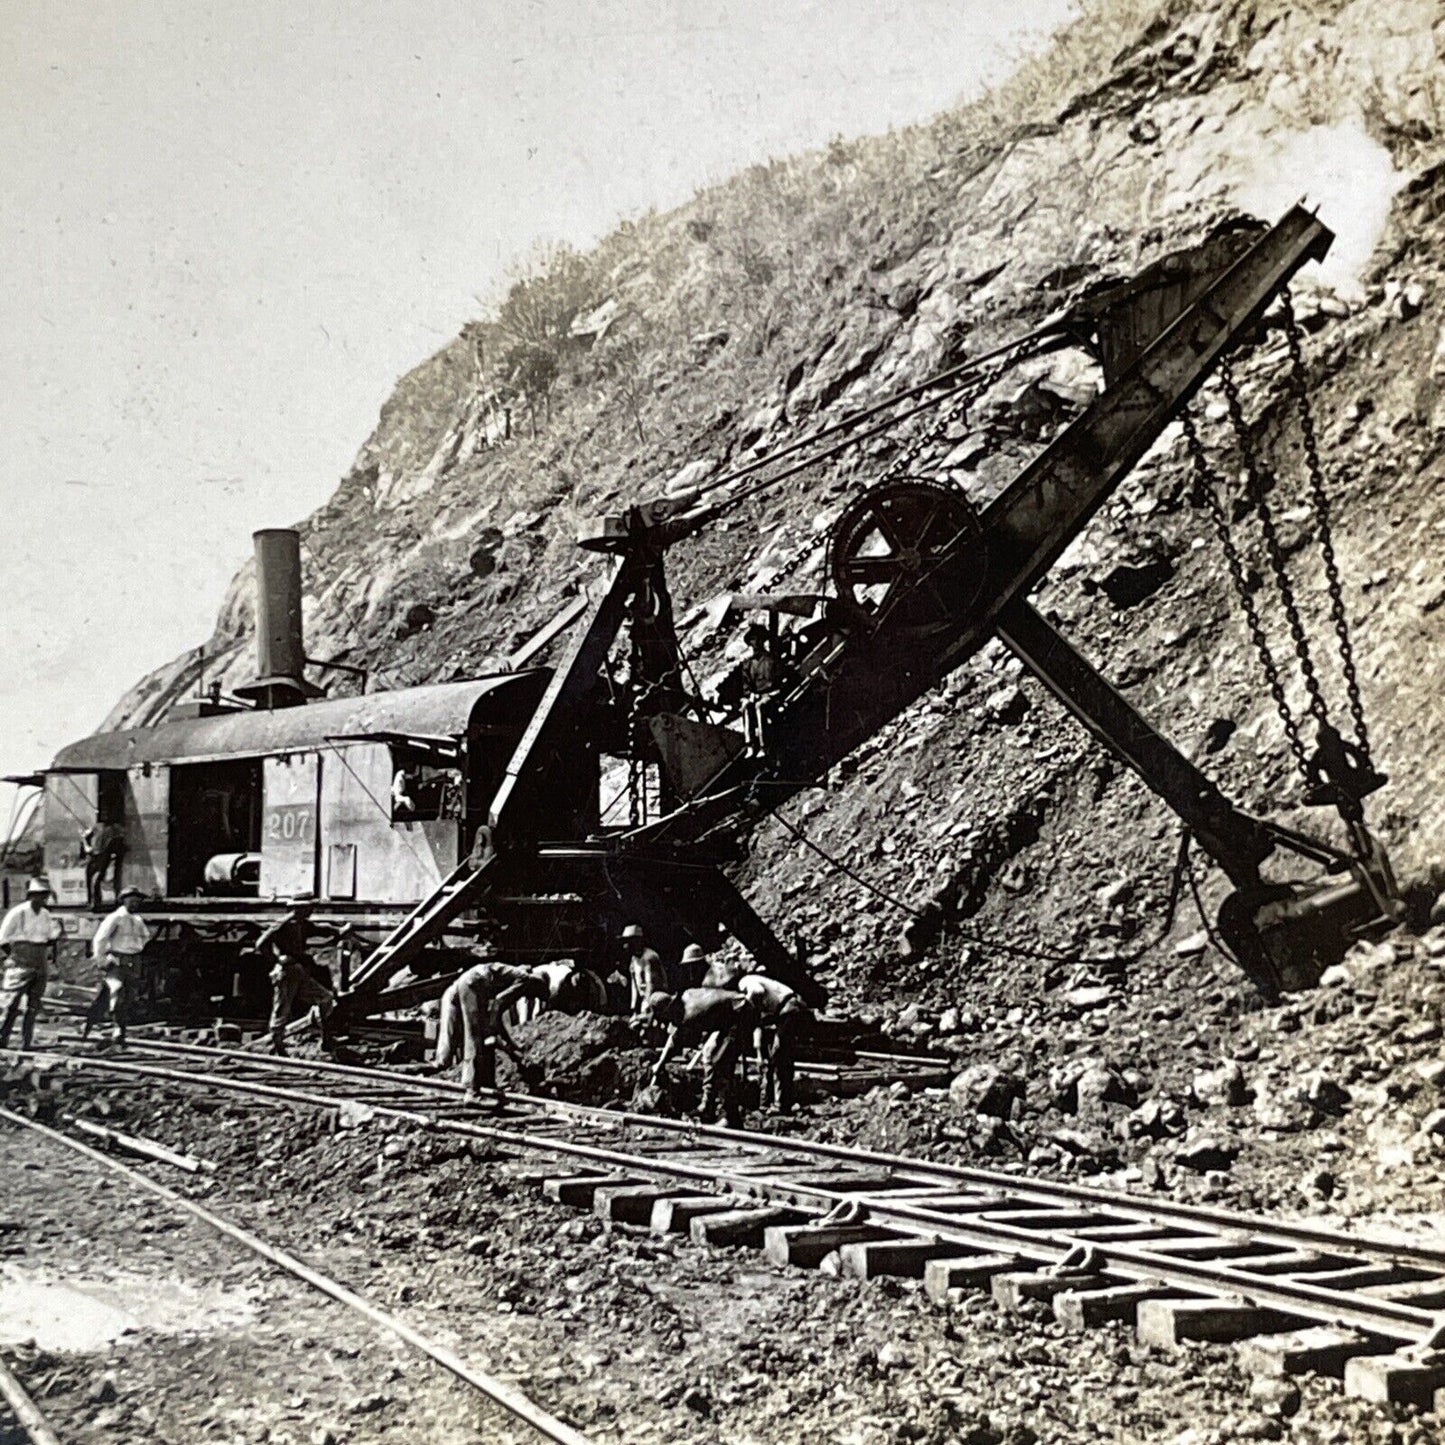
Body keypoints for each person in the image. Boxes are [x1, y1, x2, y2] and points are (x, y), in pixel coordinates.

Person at [643, 986, 758, 1127]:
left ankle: (730, 1116)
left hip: (743, 1014)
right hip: (729, 1016)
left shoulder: (691, 1015)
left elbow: (676, 1041)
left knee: (720, 1064)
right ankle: (708, 1107)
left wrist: (661, 1063)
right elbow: (674, 1035)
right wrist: (660, 1062)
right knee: (708, 1054)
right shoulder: (686, 995)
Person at [434, 960, 550, 1097]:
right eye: (534, 995)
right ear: (536, 986)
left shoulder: (513, 978)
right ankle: (472, 1091)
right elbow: (498, 1005)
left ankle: (486, 1084)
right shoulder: (524, 980)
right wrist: (511, 1048)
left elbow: (496, 1016)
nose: (529, 998)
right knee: (475, 1036)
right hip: (473, 984)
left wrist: (510, 1045)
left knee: (484, 1037)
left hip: (472, 984)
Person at [255, 896, 347, 1056]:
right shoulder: (283, 924)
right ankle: (278, 1046)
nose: (311, 911)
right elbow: (261, 943)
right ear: (298, 909)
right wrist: (277, 960)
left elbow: (319, 929)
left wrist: (338, 931)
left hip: (298, 971)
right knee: (282, 1009)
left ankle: (326, 1039)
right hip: (286, 971)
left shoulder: (302, 924)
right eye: (308, 908)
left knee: (326, 999)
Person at [0, 880, 64, 1050]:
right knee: (11, 1002)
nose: (42, 899)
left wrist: (56, 935)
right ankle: (2, 1038)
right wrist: (12, 957)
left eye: (45, 896)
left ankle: (25, 1042)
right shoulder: (18, 913)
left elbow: (49, 938)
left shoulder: (45, 914)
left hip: (39, 958)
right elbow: (3, 938)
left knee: (34, 1004)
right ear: (31, 896)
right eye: (39, 896)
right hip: (21, 958)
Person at [737, 972, 812, 1113]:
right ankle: (780, 1102)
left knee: (779, 1056)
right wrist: (759, 1055)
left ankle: (782, 1104)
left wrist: (746, 1004)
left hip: (789, 1007)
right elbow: (758, 1027)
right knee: (779, 1057)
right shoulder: (759, 1000)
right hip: (784, 1012)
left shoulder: (745, 982)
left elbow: (757, 991)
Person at [83, 887, 151, 1044]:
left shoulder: (138, 920)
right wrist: (101, 958)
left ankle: (120, 1030)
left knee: (130, 995)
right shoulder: (115, 918)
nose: (135, 903)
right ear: (124, 900)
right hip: (117, 959)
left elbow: (146, 937)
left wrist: (136, 947)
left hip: (133, 960)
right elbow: (100, 938)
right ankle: (117, 1028)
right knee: (117, 991)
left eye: (137, 901)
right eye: (131, 900)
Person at [81, 818, 125, 912]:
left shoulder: (104, 830)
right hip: (98, 859)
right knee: (93, 881)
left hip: (99, 859)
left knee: (94, 881)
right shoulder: (105, 830)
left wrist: (84, 839)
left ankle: (95, 903)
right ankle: (95, 902)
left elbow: (89, 850)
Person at [622, 924, 665, 1014]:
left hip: (658, 1000)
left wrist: (647, 1007)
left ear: (637, 941)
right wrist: (633, 1008)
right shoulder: (633, 959)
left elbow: (651, 985)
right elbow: (634, 986)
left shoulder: (650, 957)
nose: (625, 946)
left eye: (629, 941)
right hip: (645, 1000)